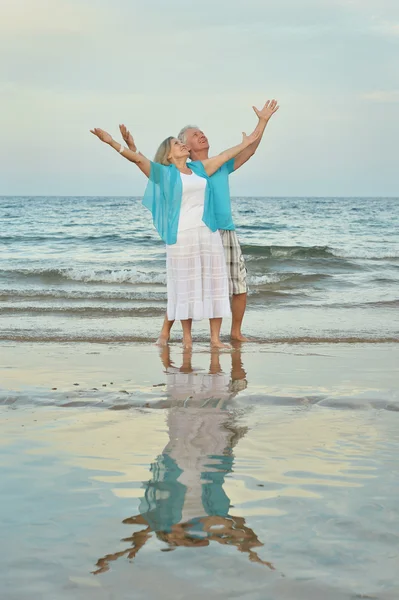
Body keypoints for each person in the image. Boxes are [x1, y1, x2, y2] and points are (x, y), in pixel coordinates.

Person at [92, 348, 275, 574]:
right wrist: (251, 553)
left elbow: (137, 535)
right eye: (184, 541)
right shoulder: (210, 523)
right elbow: (243, 535)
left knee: (185, 420)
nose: (183, 539)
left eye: (176, 540)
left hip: (178, 463)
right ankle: (217, 372)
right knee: (215, 420)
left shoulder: (161, 519)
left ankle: (192, 370)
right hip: (210, 463)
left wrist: (113, 557)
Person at [121, 100, 279, 344]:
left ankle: (235, 332)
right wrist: (131, 147)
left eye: (202, 133)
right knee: (188, 285)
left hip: (223, 229)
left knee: (238, 283)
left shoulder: (220, 164)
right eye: (195, 135)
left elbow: (248, 150)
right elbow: (151, 167)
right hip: (194, 232)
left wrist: (263, 122)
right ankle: (166, 331)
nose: (201, 135)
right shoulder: (185, 169)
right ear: (185, 144)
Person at [90, 125, 260, 348]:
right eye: (177, 144)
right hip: (182, 236)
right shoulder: (166, 173)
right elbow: (139, 161)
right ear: (169, 155)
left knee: (214, 283)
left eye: (181, 143)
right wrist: (113, 143)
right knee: (185, 286)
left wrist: (247, 142)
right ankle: (186, 338)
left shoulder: (200, 169)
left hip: (207, 233)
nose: (182, 145)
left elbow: (226, 155)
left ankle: (215, 339)